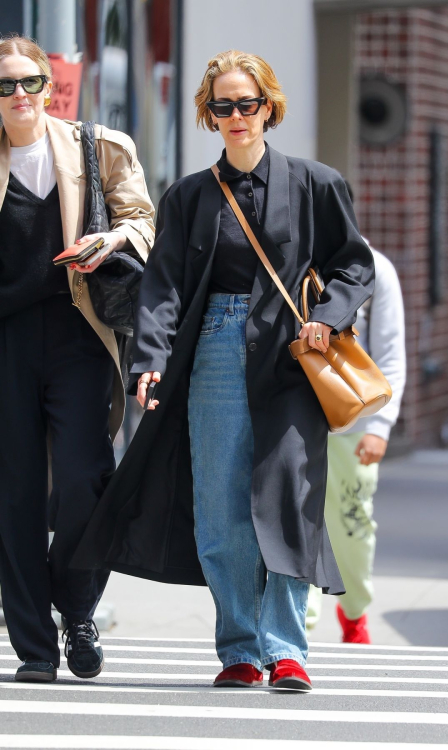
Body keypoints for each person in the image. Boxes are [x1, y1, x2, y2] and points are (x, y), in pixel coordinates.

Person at [72, 50, 374, 691]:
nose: (236, 116)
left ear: (269, 107)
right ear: (208, 114)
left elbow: (354, 265)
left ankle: (287, 648)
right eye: (222, 105)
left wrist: (329, 313)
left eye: (247, 103)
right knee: (221, 506)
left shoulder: (316, 183)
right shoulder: (188, 196)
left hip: (292, 355)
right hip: (211, 349)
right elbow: (163, 288)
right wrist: (150, 361)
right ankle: (240, 644)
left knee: (290, 496)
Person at [0, 35, 155, 683]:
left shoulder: (98, 148)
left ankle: (78, 606)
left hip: (79, 336)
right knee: (14, 496)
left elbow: (145, 222)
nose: (18, 97)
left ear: (48, 83)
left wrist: (113, 236)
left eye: (28, 82)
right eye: (4, 86)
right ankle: (35, 647)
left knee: (87, 482)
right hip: (5, 342)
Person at [307, 182, 406, 643]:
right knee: (295, 519)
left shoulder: (376, 268)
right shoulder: (294, 261)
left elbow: (390, 351)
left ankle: (355, 609)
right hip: (296, 416)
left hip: (356, 420)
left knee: (350, 525)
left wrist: (381, 427)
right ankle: (297, 623)